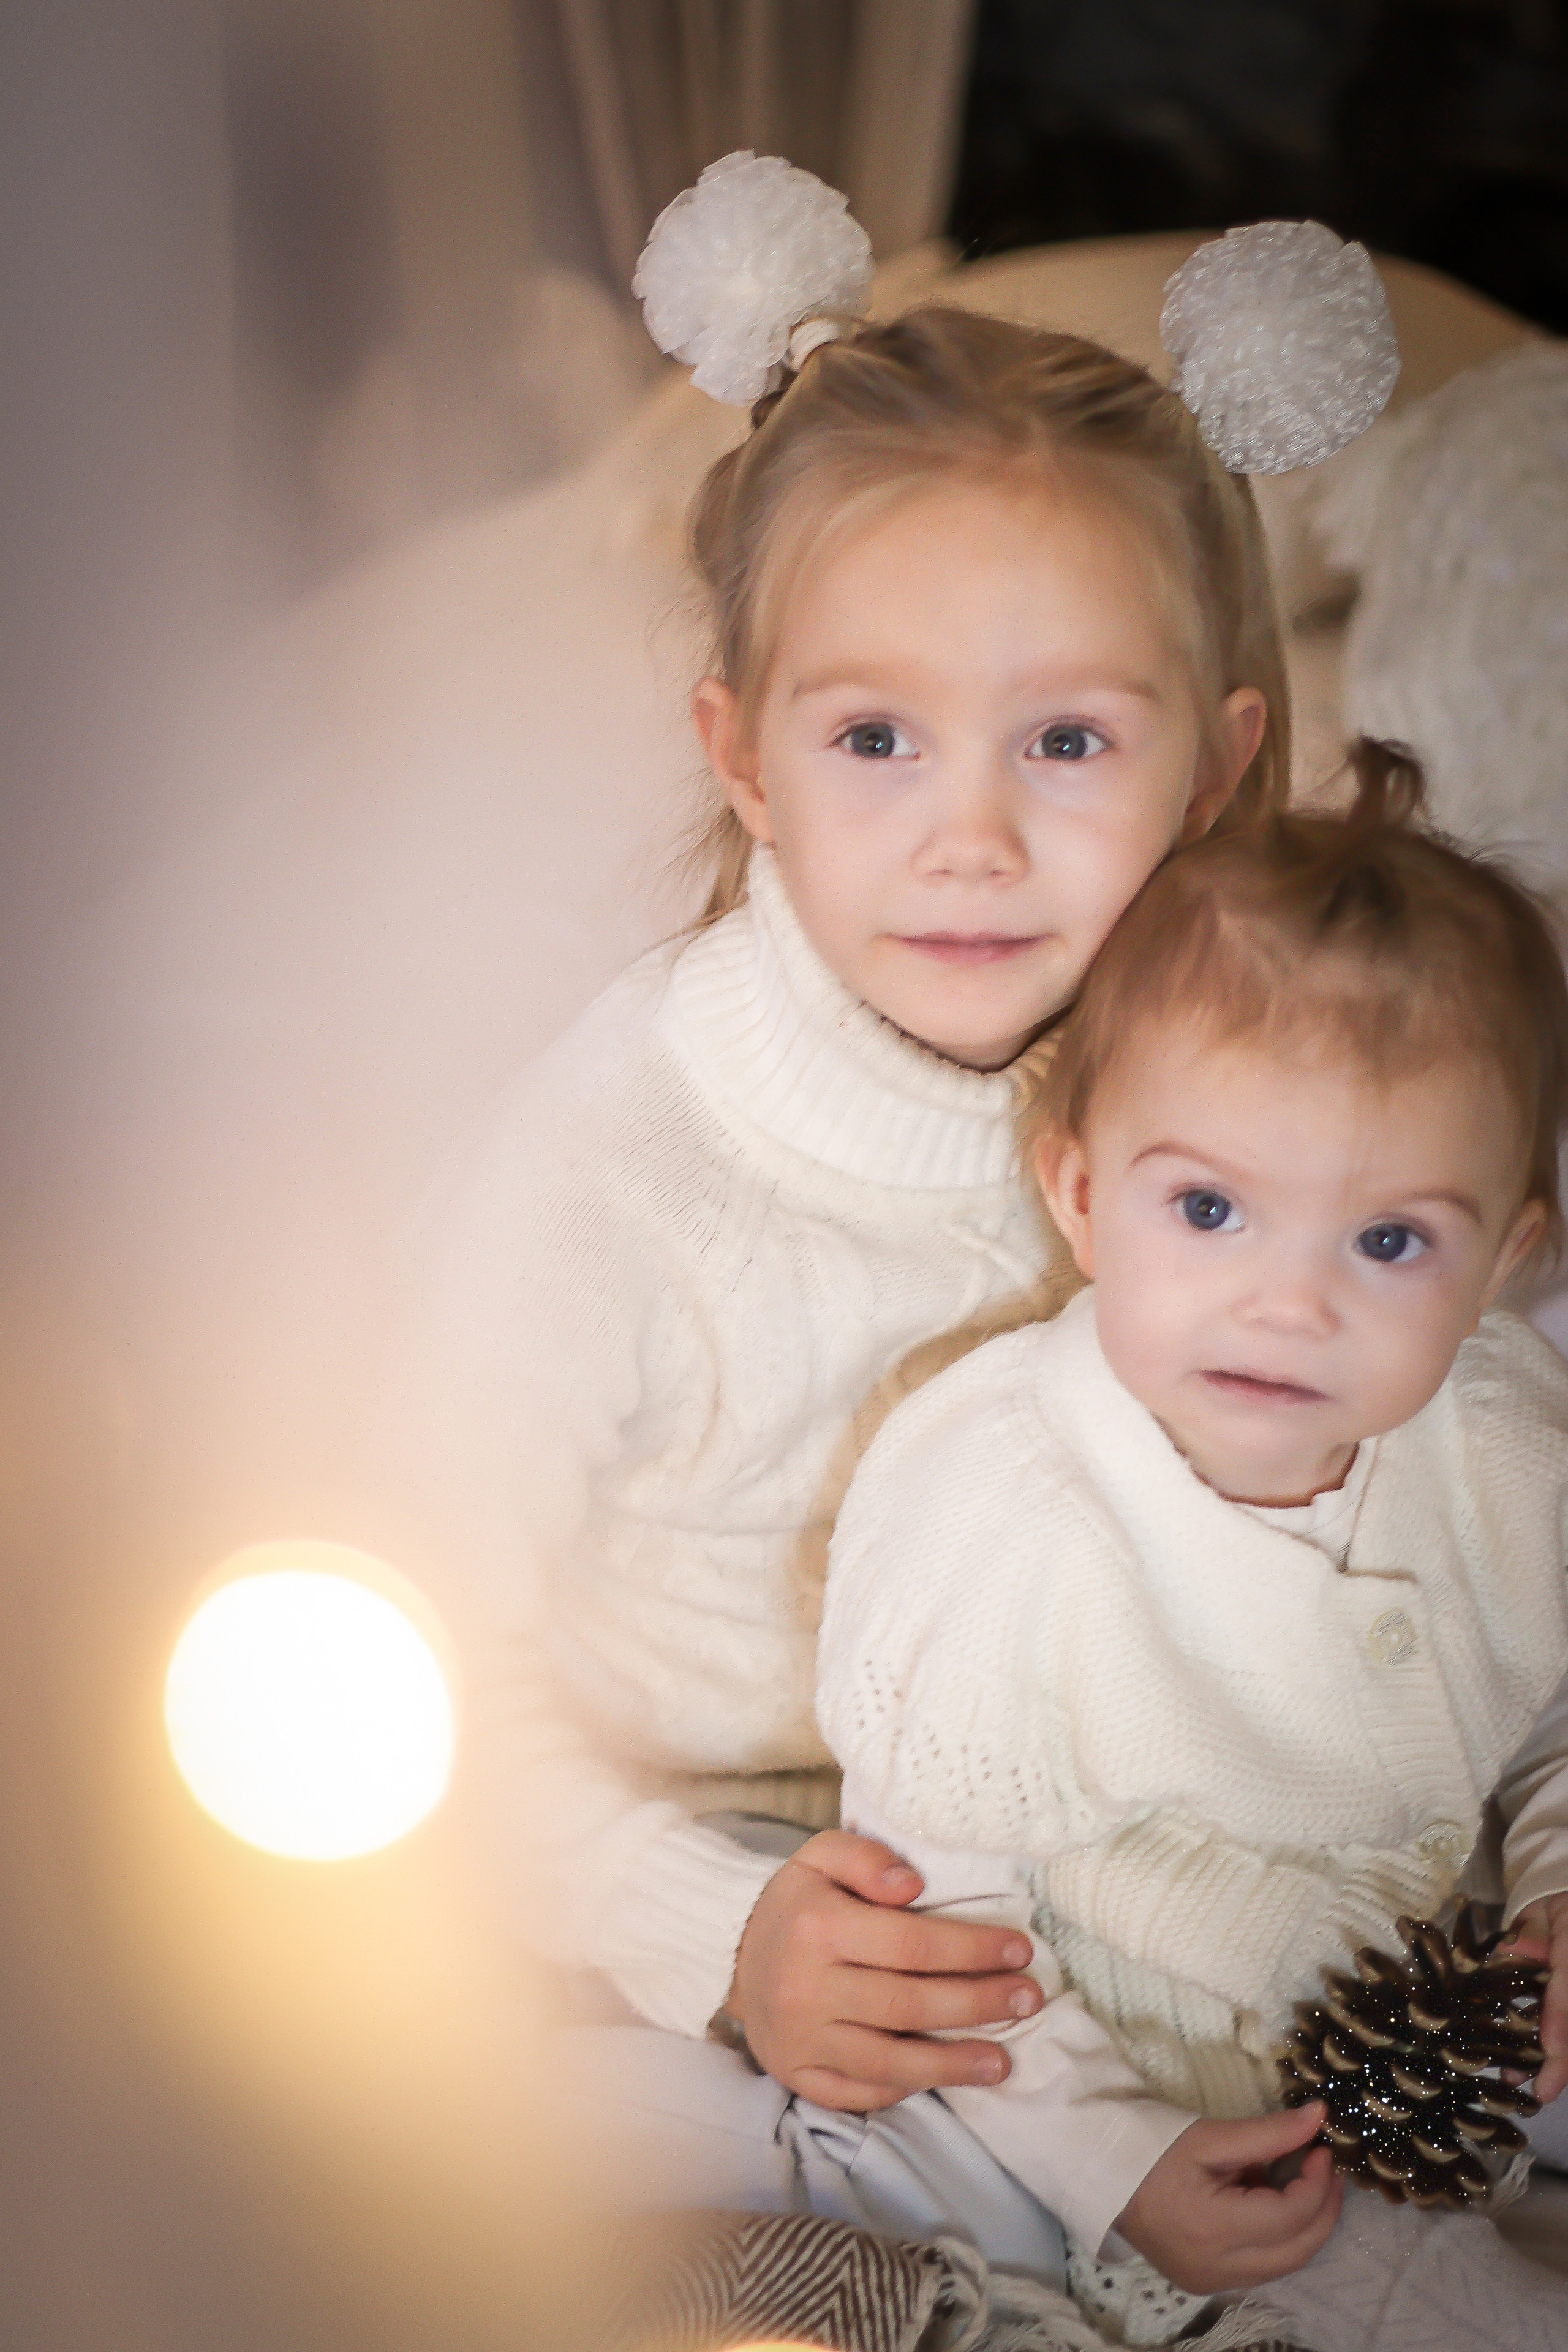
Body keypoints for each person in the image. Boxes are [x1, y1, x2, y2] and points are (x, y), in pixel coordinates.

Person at [391, 160, 1394, 2291]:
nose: (974, 835)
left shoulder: (1240, 1087)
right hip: (719, 1829)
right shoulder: (617, 1166)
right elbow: (405, 1661)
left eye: (1064, 739)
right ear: (744, 756)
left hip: (1080, 1795)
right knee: (603, 2131)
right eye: (876, 736)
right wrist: (699, 1922)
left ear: (1212, 771)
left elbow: (1418, 1438)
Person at [817, 742, 1568, 2347]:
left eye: (1388, 1240)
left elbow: (1557, 1714)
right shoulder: (1009, 1520)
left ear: (1503, 1258)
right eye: (1211, 1212)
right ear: (1082, 1197)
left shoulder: (1505, 1435)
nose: (1290, 1303)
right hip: (1197, 2083)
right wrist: (1114, 2153)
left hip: (1458, 2011)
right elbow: (940, 1916)